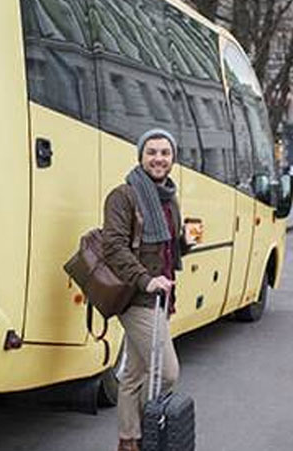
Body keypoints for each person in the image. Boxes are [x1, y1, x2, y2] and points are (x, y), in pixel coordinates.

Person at [103, 129, 199, 451]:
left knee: (133, 375)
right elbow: (114, 247)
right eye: (152, 152)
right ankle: (146, 432)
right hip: (136, 297)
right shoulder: (124, 196)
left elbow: (168, 250)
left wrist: (184, 242)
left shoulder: (169, 198)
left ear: (172, 159)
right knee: (168, 372)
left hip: (160, 297)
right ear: (141, 156)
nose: (159, 159)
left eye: (165, 153)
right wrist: (146, 279)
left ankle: (128, 441)